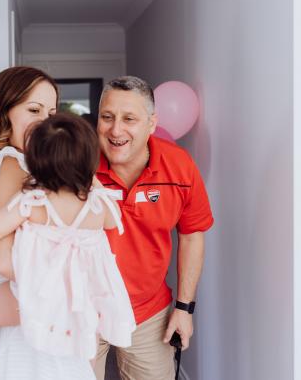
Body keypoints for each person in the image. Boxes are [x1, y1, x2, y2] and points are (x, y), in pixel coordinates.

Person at [0, 113, 136, 379]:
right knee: (86, 338)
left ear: (36, 162)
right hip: (81, 298)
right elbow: (112, 218)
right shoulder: (98, 207)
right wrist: (91, 180)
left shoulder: (35, 202)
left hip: (40, 294)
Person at [0, 66, 95, 380]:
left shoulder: (19, 166)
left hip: (24, 318)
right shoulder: (11, 165)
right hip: (27, 327)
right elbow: (5, 259)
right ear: (2, 113)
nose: (43, 122)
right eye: (33, 109)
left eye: (50, 113)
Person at [93, 76, 214, 380]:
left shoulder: (179, 166)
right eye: (107, 117)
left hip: (148, 312)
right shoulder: (76, 163)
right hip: (83, 310)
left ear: (151, 123)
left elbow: (191, 234)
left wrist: (184, 309)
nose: (115, 129)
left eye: (129, 119)